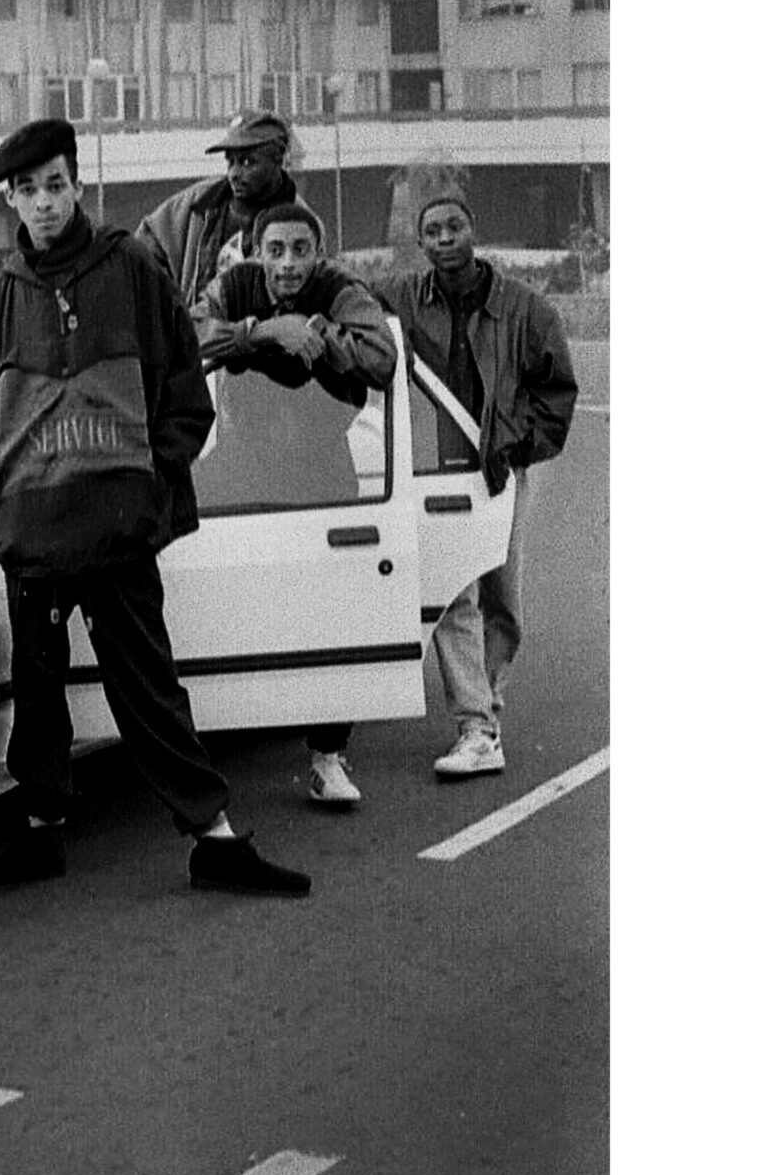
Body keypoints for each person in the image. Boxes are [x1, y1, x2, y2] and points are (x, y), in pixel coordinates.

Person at [0, 118, 310, 898]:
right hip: (33, 543)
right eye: (25, 190)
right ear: (8, 198)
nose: (42, 204)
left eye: (54, 185)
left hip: (119, 534)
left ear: (77, 185)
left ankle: (214, 838)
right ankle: (40, 834)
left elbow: (186, 391)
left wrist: (148, 485)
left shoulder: (134, 271)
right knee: (38, 697)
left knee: (148, 687)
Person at [196, 200, 398, 808]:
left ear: (319, 252)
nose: (286, 264)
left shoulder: (341, 289)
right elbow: (187, 334)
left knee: (332, 613)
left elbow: (381, 357)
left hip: (319, 465)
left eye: (300, 250)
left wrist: (317, 336)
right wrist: (262, 332)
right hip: (242, 464)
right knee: (213, 586)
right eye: (274, 250)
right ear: (256, 252)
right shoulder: (234, 285)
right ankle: (212, 735)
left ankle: (328, 756)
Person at [376, 191, 578, 779]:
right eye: (432, 231)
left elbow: (556, 392)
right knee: (457, 593)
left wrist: (518, 445)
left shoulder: (526, 308)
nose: (444, 239)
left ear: (473, 230)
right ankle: (477, 725)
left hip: (501, 469)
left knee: (503, 596)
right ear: (421, 243)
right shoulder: (404, 298)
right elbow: (349, 300)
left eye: (453, 227)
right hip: (439, 468)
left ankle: (486, 707)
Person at [135, 109, 299, 307]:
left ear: (278, 159)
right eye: (230, 162)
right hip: (199, 333)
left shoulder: (303, 222)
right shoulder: (195, 204)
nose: (234, 173)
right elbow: (141, 253)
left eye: (248, 162)